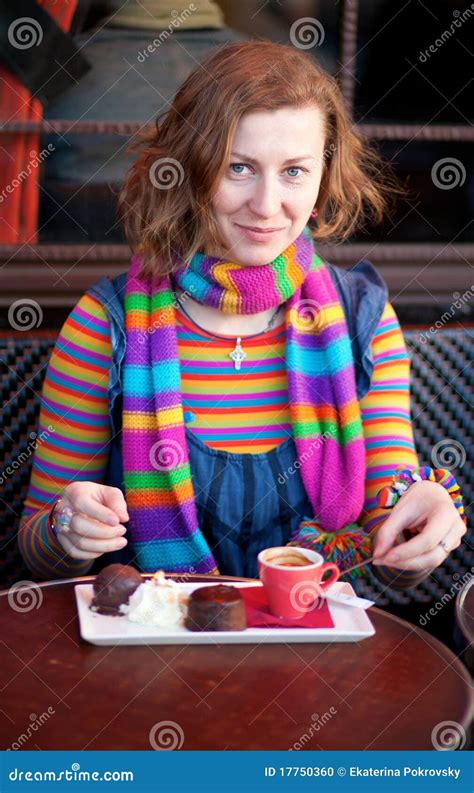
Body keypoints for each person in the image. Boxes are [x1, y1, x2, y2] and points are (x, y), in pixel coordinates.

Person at [19, 41, 466, 587]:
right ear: (189, 172)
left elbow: (389, 552)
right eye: (239, 167)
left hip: (311, 655)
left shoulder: (361, 320)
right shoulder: (105, 325)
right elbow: (37, 553)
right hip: (149, 659)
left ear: (324, 179)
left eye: (295, 172)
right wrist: (68, 529)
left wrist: (419, 523)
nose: (267, 203)